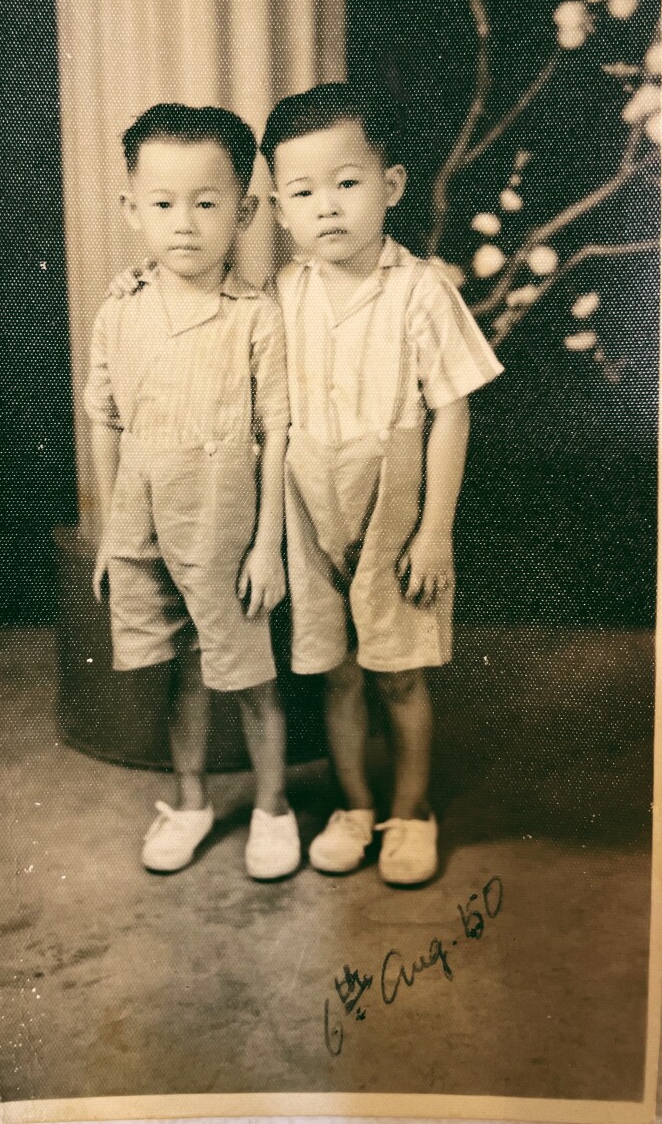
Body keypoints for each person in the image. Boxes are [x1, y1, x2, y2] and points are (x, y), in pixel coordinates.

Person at [259, 82, 504, 885]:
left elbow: (453, 414)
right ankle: (353, 805)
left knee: (398, 673)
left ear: (390, 186)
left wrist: (434, 530)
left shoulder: (420, 290)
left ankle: (410, 810)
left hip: (395, 515)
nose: (326, 207)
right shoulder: (282, 295)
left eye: (347, 183)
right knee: (336, 672)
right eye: (303, 192)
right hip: (311, 510)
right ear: (278, 209)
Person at [85, 102, 300, 880]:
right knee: (177, 670)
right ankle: (191, 799)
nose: (184, 224)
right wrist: (113, 532)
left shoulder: (256, 319)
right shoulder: (119, 311)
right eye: (163, 204)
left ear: (244, 212)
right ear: (132, 208)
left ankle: (273, 811)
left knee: (248, 674)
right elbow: (104, 419)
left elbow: (278, 432)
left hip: (225, 531)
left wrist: (268, 544)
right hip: (144, 526)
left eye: (207, 204)